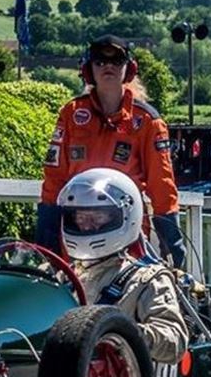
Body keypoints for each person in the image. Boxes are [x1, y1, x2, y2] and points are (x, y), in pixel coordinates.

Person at [39, 34, 184, 267]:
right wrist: (46, 237)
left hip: (127, 238)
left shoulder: (147, 121)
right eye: (99, 61)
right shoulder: (71, 114)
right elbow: (54, 178)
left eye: (116, 61)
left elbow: (161, 184)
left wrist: (172, 242)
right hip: (78, 235)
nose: (108, 66)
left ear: (128, 69)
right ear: (88, 69)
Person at [57, 168, 188, 364]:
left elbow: (174, 342)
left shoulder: (146, 279)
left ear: (126, 216)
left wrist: (120, 332)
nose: (86, 226)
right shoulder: (62, 277)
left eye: (97, 217)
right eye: (80, 218)